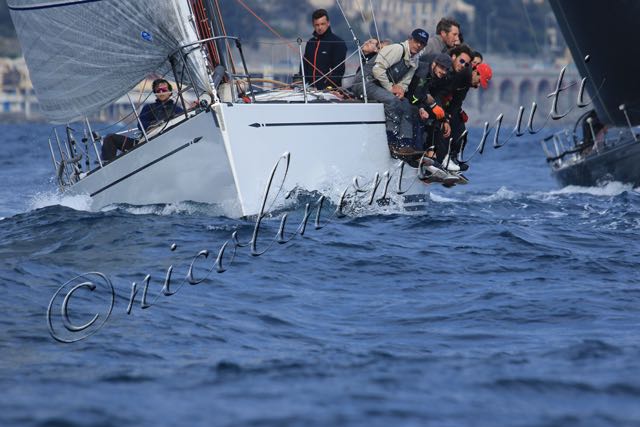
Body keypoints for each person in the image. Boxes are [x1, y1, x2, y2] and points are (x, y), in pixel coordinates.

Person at [351, 28, 429, 155]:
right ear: (410, 39)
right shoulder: (398, 49)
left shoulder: (415, 60)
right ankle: (392, 141)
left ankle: (405, 143)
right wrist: (390, 88)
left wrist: (401, 90)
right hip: (365, 82)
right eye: (416, 41)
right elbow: (377, 70)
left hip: (380, 86)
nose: (418, 45)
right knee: (392, 101)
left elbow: (405, 81)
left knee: (405, 104)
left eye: (422, 43)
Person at [101, 78, 185, 162]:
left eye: (164, 90)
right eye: (158, 90)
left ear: (170, 92)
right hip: (146, 144)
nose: (161, 92)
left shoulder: (178, 110)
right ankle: (107, 168)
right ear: (155, 93)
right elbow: (141, 125)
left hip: (167, 144)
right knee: (110, 138)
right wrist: (154, 124)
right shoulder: (148, 108)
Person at [407, 53, 453, 163]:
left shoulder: (437, 76)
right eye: (441, 67)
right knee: (418, 114)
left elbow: (433, 97)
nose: (443, 72)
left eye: (446, 69)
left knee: (436, 115)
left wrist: (444, 119)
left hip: (417, 100)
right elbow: (415, 97)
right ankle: (418, 153)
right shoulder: (423, 72)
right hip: (406, 97)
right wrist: (422, 108)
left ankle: (433, 154)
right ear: (434, 64)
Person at [301, 9, 347, 90]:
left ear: (328, 23)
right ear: (313, 25)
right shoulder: (310, 42)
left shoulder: (338, 43)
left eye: (322, 24)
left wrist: (327, 87)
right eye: (317, 25)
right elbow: (304, 65)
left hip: (330, 90)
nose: (320, 27)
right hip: (310, 89)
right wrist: (300, 81)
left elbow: (339, 70)